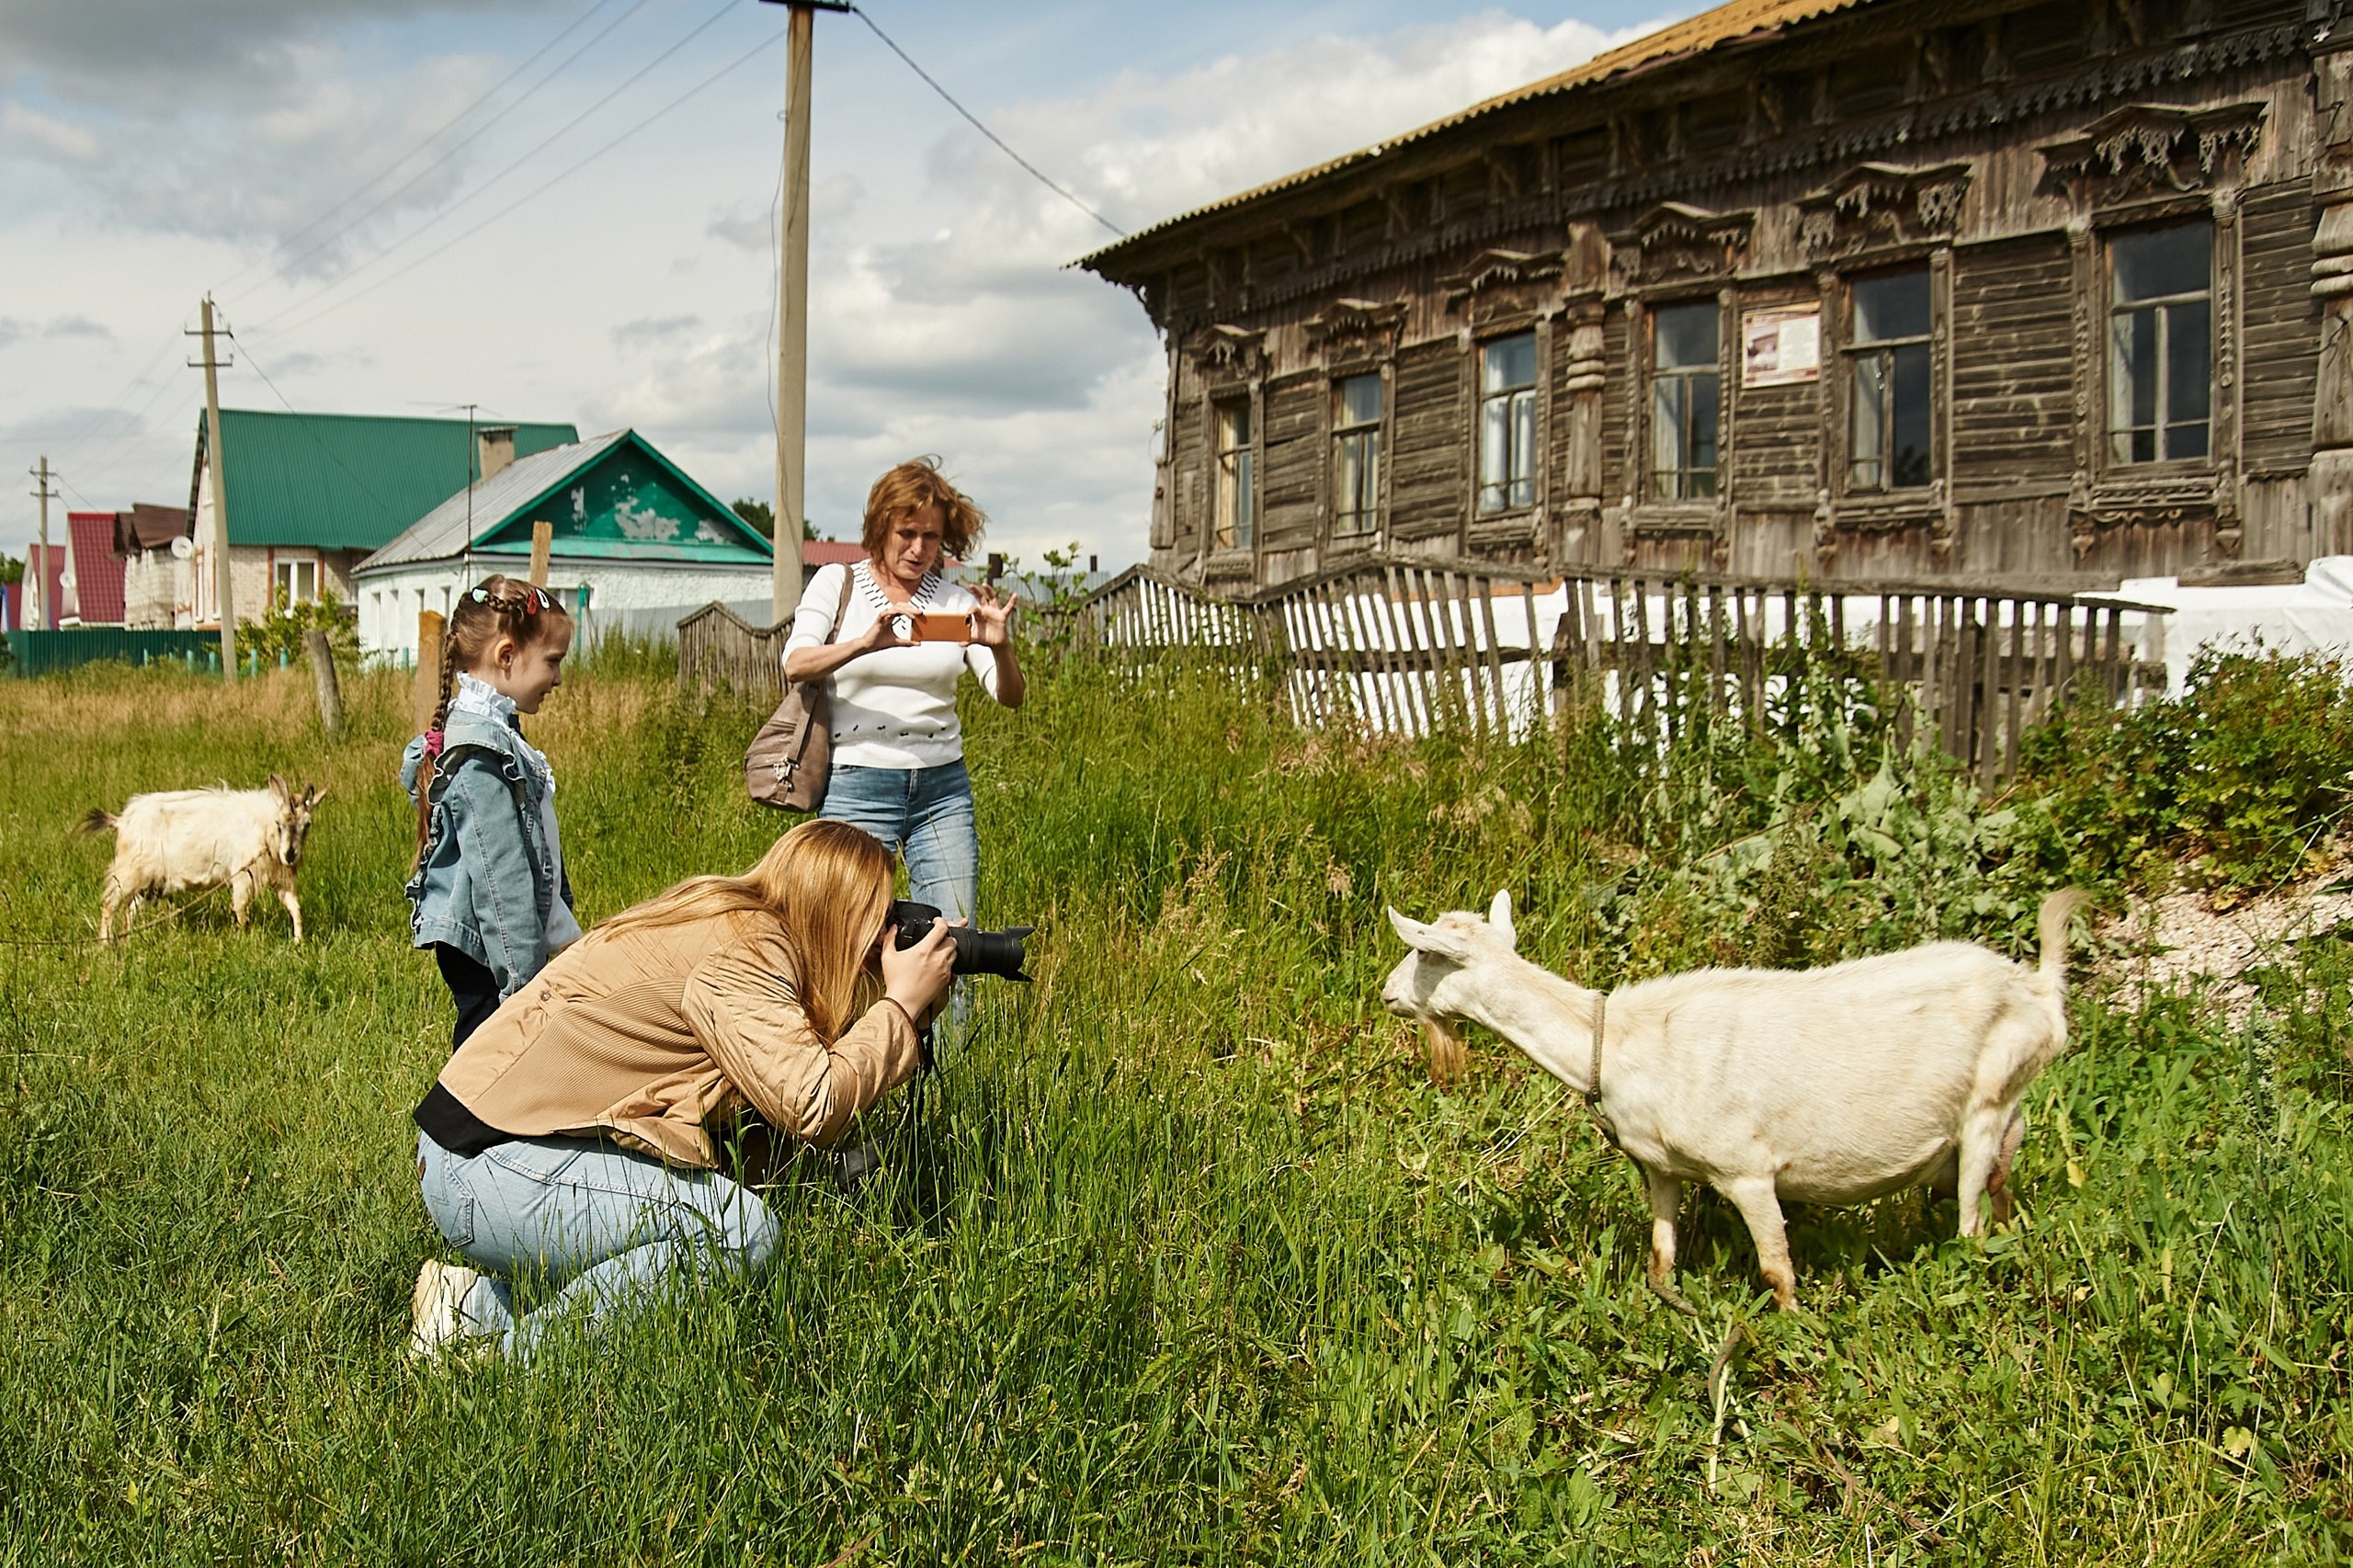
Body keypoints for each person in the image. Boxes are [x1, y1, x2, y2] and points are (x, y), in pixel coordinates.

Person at [408, 819, 957, 1361]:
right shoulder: (747, 955)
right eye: (877, 916)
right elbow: (813, 1103)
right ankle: (499, 1364)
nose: (882, 935)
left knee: (729, 1213)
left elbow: (772, 1123)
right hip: (486, 1163)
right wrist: (902, 1005)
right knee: (739, 1232)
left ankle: (471, 1309)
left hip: (485, 1152)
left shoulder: (738, 924)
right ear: (838, 915)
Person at [781, 458, 1023, 949]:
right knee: (846, 937)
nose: (918, 549)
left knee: (954, 940)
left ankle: (951, 1031)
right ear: (879, 529)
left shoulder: (955, 601)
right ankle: (860, 1029)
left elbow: (1009, 695)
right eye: (906, 533)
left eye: (931, 537)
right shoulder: (837, 583)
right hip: (856, 780)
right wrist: (866, 643)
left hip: (942, 789)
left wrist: (999, 643)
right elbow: (796, 663)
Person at [401, 576, 580, 1052]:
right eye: (553, 662)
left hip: (501, 942)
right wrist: (525, 991)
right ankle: (448, 1130)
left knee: (492, 1066)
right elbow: (501, 881)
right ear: (506, 656)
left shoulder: (500, 735)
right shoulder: (480, 755)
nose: (559, 678)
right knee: (487, 1064)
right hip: (491, 949)